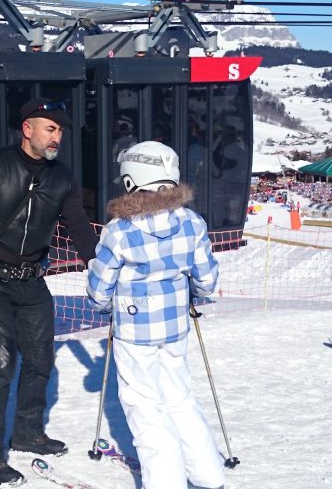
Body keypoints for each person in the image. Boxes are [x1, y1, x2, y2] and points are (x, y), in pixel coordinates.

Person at [0, 97, 99, 487]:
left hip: (32, 279)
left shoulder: (62, 177)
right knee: (0, 364)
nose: (57, 137)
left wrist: (96, 261)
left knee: (40, 357)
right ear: (27, 129)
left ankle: (29, 432)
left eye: (61, 130)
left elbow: (78, 225)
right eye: (50, 128)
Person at [86, 141, 225, 489]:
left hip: (135, 331)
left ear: (132, 180)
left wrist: (104, 305)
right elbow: (207, 279)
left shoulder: (120, 230)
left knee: (146, 408)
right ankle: (208, 476)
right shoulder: (192, 222)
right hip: (175, 328)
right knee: (180, 398)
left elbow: (99, 287)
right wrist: (193, 294)